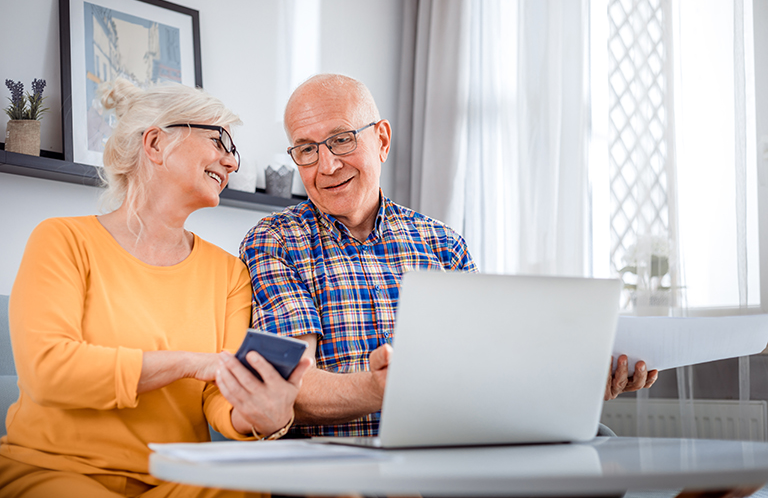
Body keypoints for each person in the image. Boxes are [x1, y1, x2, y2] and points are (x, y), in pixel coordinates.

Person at [239, 73, 657, 439]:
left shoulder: (442, 243)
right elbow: (292, 386)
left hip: (452, 450)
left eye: (341, 140)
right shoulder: (274, 241)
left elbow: (489, 368)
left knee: (601, 444)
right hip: (343, 466)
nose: (326, 165)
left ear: (381, 139)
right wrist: (386, 387)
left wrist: (575, 382)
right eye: (306, 149)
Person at [0, 79, 311, 498]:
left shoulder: (229, 274)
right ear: (155, 143)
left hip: (176, 480)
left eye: (232, 151)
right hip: (54, 471)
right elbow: (49, 373)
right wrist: (187, 362)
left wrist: (257, 413)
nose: (231, 163)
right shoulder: (62, 240)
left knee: (247, 487)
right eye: (220, 141)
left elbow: (220, 399)